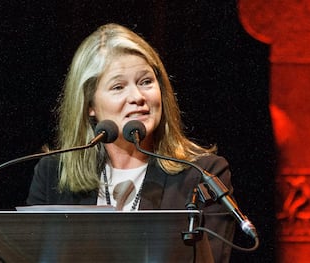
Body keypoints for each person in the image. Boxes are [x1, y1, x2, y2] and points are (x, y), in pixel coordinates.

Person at [26, 23, 235, 262]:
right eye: (118, 87)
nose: (137, 97)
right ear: (90, 105)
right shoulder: (52, 174)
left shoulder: (204, 175)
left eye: (146, 82)